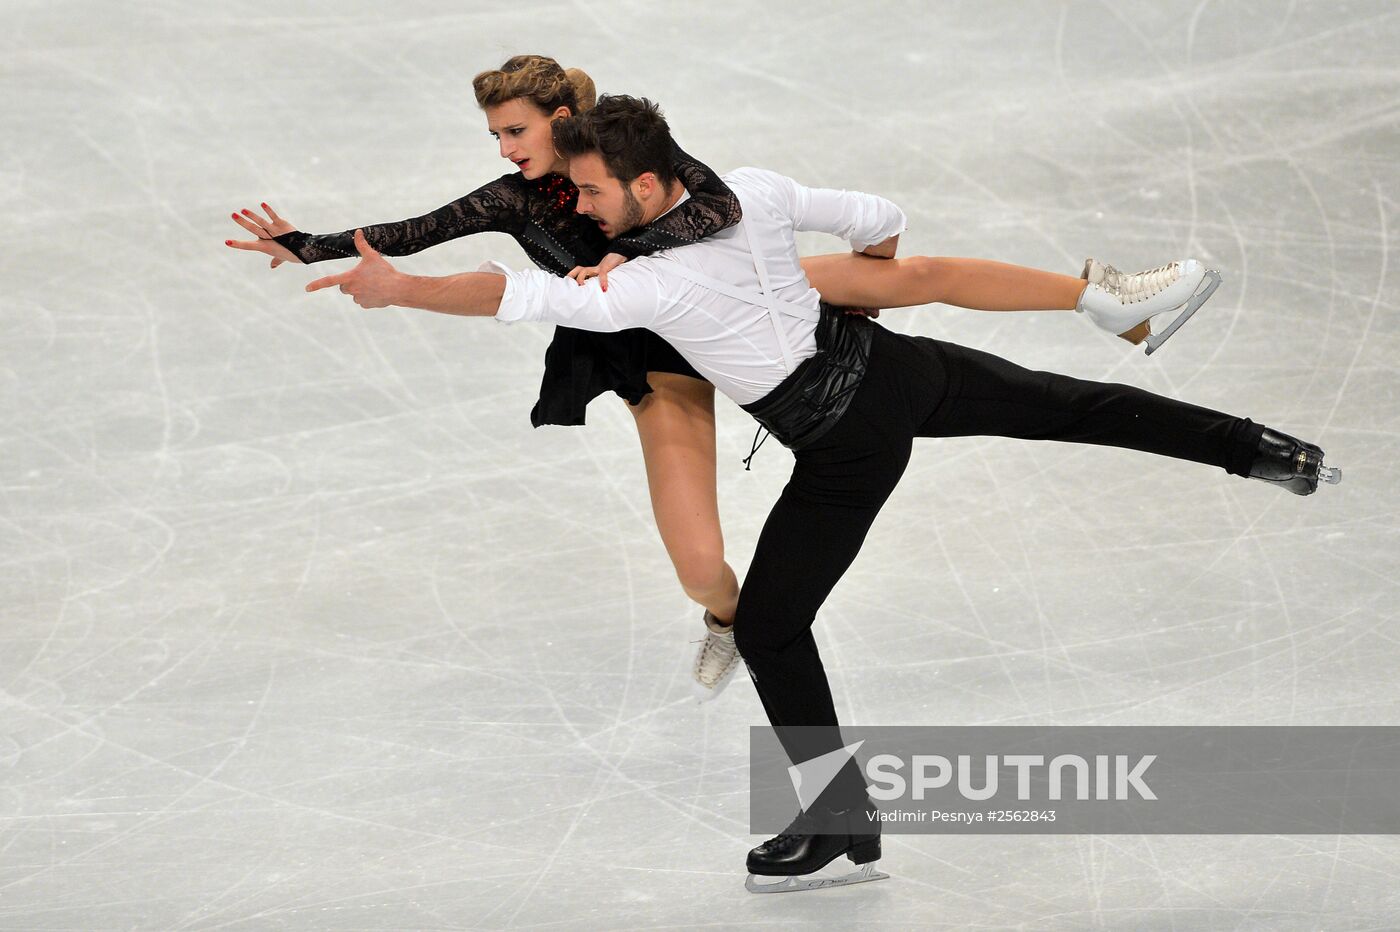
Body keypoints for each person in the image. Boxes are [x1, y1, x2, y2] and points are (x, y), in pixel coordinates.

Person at [297, 94, 1340, 893]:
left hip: (842, 444)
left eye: (594, 193)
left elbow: (508, 292)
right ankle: (1261, 449)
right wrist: (853, 289)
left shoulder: (642, 284)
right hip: (897, 368)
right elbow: (878, 220)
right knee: (1074, 404)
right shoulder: (748, 189)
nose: (578, 207)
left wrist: (399, 288)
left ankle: (840, 816)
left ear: (649, 186)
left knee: (770, 625)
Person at [225, 55, 1219, 705]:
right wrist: (306, 243)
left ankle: (1113, 299)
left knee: (905, 273)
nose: (505, 152)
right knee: (697, 556)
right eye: (496, 138)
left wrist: (635, 260)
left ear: (569, 120)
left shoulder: (635, 162)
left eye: (516, 131)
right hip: (645, 346)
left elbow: (715, 218)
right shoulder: (508, 196)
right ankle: (731, 620)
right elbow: (411, 236)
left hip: (707, 295)